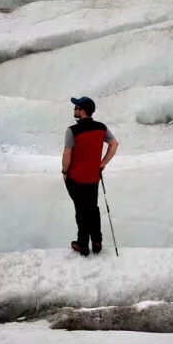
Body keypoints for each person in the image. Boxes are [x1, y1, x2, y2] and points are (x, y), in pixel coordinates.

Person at [62, 95, 118, 255]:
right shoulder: (101, 128)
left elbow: (67, 155)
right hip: (93, 177)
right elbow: (114, 144)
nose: (74, 110)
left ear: (83, 111)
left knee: (81, 210)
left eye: (76, 108)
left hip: (76, 177)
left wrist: (65, 172)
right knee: (92, 208)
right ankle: (97, 241)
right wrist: (103, 162)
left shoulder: (72, 130)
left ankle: (83, 244)